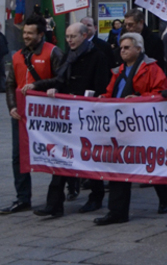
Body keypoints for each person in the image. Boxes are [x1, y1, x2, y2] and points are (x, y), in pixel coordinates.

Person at [94, 32, 167, 226]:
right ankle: (117, 212)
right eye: (121, 48)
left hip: (143, 125)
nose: (122, 51)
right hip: (121, 126)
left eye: (127, 47)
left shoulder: (152, 68)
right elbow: (111, 91)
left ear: (139, 49)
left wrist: (139, 98)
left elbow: (162, 93)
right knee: (118, 167)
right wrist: (103, 98)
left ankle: (165, 194)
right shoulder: (119, 70)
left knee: (149, 164)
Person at [29, 22, 108, 218]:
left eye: (73, 36)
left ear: (84, 35)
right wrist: (43, 87)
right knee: (61, 157)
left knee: (90, 158)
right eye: (67, 36)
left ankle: (96, 197)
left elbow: (101, 85)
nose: (70, 40)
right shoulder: (69, 56)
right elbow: (61, 80)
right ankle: (54, 203)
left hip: (89, 116)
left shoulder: (97, 56)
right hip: (69, 117)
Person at [3, 15, 63, 214]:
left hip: (48, 114)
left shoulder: (53, 52)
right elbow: (11, 84)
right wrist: (12, 106)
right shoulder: (17, 55)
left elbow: (61, 80)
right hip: (22, 114)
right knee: (18, 156)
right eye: (24, 32)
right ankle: (22, 198)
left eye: (30, 33)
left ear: (40, 34)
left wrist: (40, 87)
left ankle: (62, 193)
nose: (25, 36)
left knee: (56, 153)